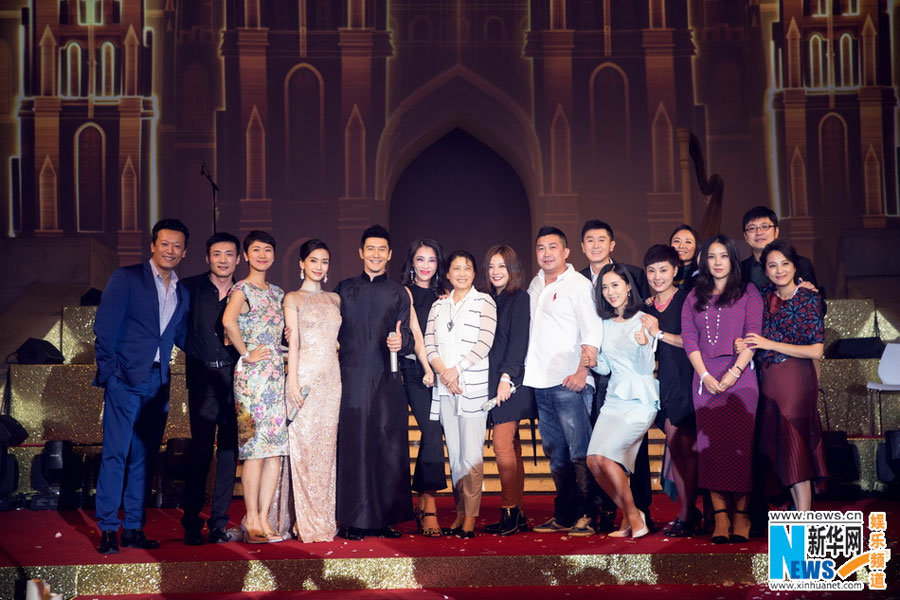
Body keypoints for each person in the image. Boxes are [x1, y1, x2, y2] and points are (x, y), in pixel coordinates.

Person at [92, 218, 190, 554]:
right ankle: (108, 529)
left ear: (184, 251)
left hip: (159, 381)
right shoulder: (127, 277)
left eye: (177, 246)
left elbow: (181, 336)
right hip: (125, 378)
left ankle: (133, 527)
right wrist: (110, 372)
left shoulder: (182, 290)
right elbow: (104, 327)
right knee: (116, 454)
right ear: (153, 245)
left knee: (143, 458)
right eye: (165, 244)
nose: (170, 250)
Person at [334, 225, 415, 540]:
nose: (376, 255)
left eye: (382, 249)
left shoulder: (398, 292)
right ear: (361, 252)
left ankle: (384, 519)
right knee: (354, 447)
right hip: (351, 377)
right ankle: (352, 520)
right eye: (371, 248)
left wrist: (401, 341)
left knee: (387, 447)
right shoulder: (343, 289)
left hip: (387, 380)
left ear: (390, 254)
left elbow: (407, 333)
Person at [681, 234, 762, 544]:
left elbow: (753, 335)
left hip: (741, 378)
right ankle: (719, 516)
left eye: (723, 256)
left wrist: (735, 371)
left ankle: (742, 515)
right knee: (710, 450)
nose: (717, 262)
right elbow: (689, 339)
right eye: (711, 257)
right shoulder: (693, 296)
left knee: (739, 448)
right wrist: (704, 375)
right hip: (704, 379)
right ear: (704, 261)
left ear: (732, 259)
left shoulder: (748, 292)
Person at [524, 226, 604, 537]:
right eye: (541, 248)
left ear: (566, 252)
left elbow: (592, 331)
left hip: (570, 381)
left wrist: (582, 372)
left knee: (578, 451)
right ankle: (564, 514)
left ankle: (588, 514)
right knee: (555, 452)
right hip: (540, 382)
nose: (546, 253)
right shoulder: (535, 284)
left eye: (552, 247)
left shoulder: (578, 285)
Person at [737, 240, 827, 511]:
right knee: (780, 445)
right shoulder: (760, 296)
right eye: (772, 265)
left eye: (784, 264)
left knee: (795, 439)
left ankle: (804, 514)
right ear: (764, 270)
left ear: (795, 266)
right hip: (767, 379)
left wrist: (770, 344)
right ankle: (798, 509)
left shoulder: (809, 297)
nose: (779, 270)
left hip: (797, 378)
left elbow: (816, 350)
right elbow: (750, 334)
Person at [579, 219, 652, 532]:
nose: (610, 292)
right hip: (613, 398)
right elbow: (606, 369)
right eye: (605, 287)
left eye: (615, 286)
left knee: (609, 460)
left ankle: (633, 516)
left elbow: (647, 367)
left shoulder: (644, 320)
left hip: (640, 398)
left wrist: (645, 343)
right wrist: (592, 360)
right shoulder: (604, 325)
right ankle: (630, 513)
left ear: (628, 286)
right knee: (594, 461)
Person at [424, 251, 496, 538]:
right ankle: (460, 512)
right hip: (445, 389)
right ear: (448, 273)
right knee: (454, 455)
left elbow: (485, 342)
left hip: (473, 388)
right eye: (456, 268)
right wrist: (444, 372)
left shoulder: (484, 301)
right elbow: (429, 342)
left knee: (471, 455)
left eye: (467, 268)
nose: (462, 273)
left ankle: (471, 517)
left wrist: (456, 370)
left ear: (474, 273)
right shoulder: (438, 306)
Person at [221, 230, 287, 544]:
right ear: (246, 255)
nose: (262, 255)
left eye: (267, 249)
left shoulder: (277, 292)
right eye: (256, 250)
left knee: (274, 452)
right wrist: (245, 352)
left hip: (276, 373)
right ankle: (251, 516)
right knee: (254, 450)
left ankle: (263, 517)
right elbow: (228, 321)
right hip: (251, 375)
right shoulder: (242, 288)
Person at [180, 232, 241, 546]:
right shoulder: (189, 288)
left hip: (236, 383)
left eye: (229, 254)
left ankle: (218, 523)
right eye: (217, 254)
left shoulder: (244, 292)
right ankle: (191, 522)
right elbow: (176, 328)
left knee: (230, 454)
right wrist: (196, 351)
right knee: (201, 453)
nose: (223, 260)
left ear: (237, 259)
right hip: (202, 380)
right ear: (207, 257)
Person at [282, 239, 342, 542]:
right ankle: (303, 521)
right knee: (304, 450)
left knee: (325, 452)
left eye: (325, 261)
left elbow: (336, 339)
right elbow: (293, 343)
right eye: (314, 261)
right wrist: (292, 380)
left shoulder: (335, 299)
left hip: (332, 381)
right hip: (304, 378)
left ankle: (323, 518)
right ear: (301, 264)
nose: (319, 267)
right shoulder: (292, 298)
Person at [639, 244, 699, 537]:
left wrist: (659, 333)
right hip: (663, 384)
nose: (657, 276)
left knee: (680, 448)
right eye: (651, 271)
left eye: (663, 270)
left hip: (689, 380)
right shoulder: (647, 306)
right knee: (682, 450)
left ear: (676, 271)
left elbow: (694, 342)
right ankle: (694, 511)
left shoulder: (688, 299)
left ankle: (689, 513)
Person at [482, 245, 536, 536]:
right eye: (491, 266)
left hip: (511, 382)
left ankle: (508, 511)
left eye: (501, 266)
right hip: (492, 381)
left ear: (512, 269)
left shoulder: (520, 298)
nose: (495, 272)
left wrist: (507, 377)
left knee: (502, 446)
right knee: (511, 449)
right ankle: (518, 515)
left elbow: (518, 341)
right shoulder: (489, 300)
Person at [399, 238, 446, 537]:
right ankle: (428, 504)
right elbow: (412, 335)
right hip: (414, 371)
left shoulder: (447, 294)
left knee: (435, 433)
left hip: (442, 371)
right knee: (431, 431)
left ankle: (424, 502)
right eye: (420, 259)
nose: (425, 265)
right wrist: (426, 366)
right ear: (412, 262)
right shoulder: (403, 292)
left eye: (431, 260)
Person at [740, 206, 817, 292]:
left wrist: (811, 294)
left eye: (764, 226)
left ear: (776, 231)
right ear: (746, 236)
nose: (759, 232)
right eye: (752, 228)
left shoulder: (801, 264)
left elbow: (819, 303)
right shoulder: (738, 270)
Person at [579, 219, 649, 298]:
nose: (596, 246)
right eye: (590, 241)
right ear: (583, 247)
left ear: (611, 245)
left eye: (601, 240)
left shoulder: (634, 274)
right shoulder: (577, 279)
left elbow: (645, 308)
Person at [669, 224, 699, 290]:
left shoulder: (702, 274)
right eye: (676, 241)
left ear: (697, 247)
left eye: (688, 242)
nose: (681, 246)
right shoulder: (666, 271)